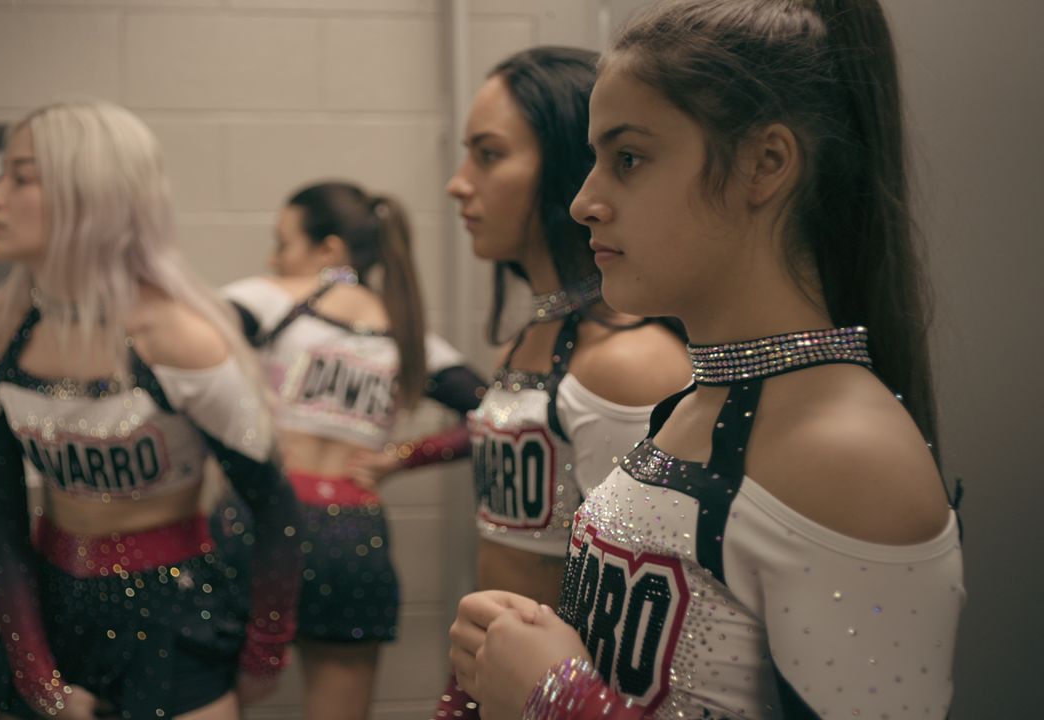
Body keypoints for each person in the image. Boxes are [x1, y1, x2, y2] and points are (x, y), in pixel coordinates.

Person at [449, 2, 965, 718]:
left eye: (628, 158)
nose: (585, 202)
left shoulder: (849, 453)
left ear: (766, 164)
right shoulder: (700, 401)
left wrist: (556, 696)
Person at [0, 100, 300, 720]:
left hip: (178, 617)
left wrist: (265, 650)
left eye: (21, 178)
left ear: (92, 195)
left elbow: (274, 501)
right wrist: (38, 679)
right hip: (50, 613)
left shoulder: (182, 340)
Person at [410, 47, 691, 719]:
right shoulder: (536, 332)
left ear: (566, 166)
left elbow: (654, 621)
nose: (457, 183)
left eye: (488, 154)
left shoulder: (625, 359)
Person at [222, 181, 485, 720]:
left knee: (216, 700)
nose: (274, 259)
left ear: (330, 252)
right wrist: (403, 456)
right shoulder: (409, 334)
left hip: (263, 518)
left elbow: (172, 338)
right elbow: (496, 416)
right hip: (351, 536)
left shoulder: (272, 299)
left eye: (284, 243)